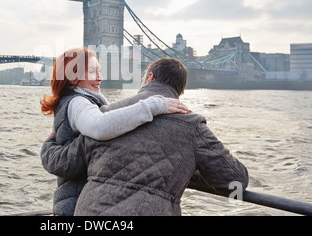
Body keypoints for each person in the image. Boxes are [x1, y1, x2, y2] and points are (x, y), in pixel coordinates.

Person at [41, 58, 249, 216]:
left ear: (149, 78)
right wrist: (189, 164)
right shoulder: (192, 125)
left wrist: (50, 141)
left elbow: (65, 163)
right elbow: (235, 180)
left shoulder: (108, 113)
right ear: (180, 91)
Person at [40, 48, 190, 216]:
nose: (100, 77)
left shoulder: (74, 101)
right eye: (92, 72)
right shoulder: (78, 102)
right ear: (73, 77)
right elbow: (100, 127)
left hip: (73, 203)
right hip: (78, 206)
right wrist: (155, 105)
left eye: (99, 71)